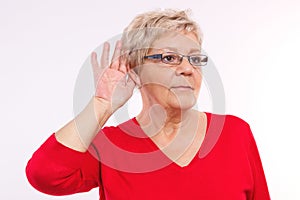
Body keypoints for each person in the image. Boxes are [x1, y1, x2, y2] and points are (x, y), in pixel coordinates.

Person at [26, 9, 271, 200]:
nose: (188, 69)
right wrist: (101, 104)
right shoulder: (111, 146)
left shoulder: (235, 133)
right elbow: (44, 176)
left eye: (195, 58)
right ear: (136, 70)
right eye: (169, 58)